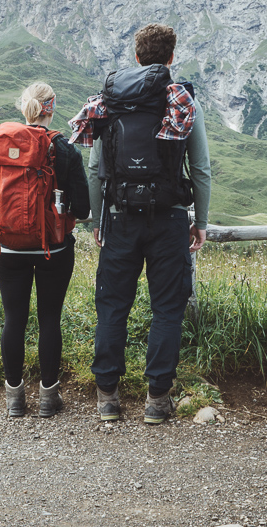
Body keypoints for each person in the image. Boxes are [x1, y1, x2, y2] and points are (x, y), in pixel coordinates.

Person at [69, 23, 211, 424]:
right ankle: (156, 399)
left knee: (112, 306)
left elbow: (97, 168)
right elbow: (200, 169)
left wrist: (97, 220)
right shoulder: (181, 101)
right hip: (168, 220)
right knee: (167, 308)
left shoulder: (108, 102)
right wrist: (200, 221)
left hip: (119, 220)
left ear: (136, 56)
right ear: (170, 58)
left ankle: (108, 398)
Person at [0, 82, 90, 418]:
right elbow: (83, 208)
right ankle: (47, 397)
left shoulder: (1, 144)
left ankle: (14, 398)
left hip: (8, 247)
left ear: (24, 108)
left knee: (13, 319)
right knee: (48, 319)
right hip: (52, 250)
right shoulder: (64, 148)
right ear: (50, 107)